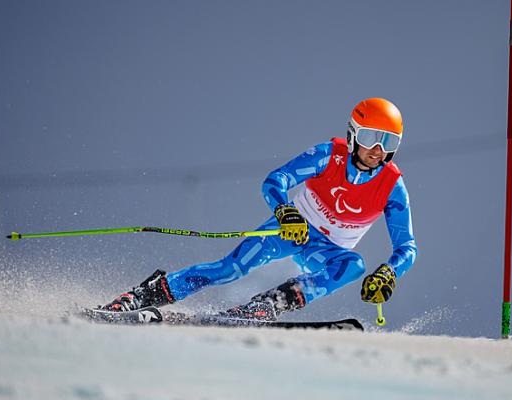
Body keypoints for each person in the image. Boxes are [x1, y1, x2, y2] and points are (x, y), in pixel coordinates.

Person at [98, 98, 417, 320]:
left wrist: (390, 272)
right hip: (290, 230)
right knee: (229, 270)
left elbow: (407, 247)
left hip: (328, 250)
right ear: (354, 134)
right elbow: (275, 181)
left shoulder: (392, 186)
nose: (378, 150)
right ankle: (143, 296)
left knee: (353, 266)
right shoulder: (327, 155)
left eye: (389, 142)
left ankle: (269, 304)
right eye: (372, 137)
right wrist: (286, 212)